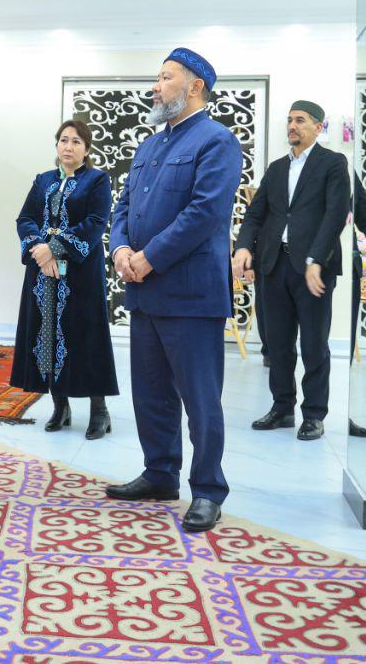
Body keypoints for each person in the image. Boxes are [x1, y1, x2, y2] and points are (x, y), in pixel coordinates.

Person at [105, 47, 242, 533]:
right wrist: (121, 249)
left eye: (165, 78)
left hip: (190, 294)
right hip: (144, 292)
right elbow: (123, 207)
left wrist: (149, 257)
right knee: (152, 393)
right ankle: (160, 474)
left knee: (200, 399)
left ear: (195, 86)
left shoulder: (217, 141)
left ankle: (207, 490)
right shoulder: (148, 145)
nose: (155, 86)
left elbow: (204, 213)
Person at [234, 100, 350, 441]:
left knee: (314, 344)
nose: (292, 126)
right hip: (274, 265)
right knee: (278, 344)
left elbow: (335, 215)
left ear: (318, 126)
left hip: (314, 268)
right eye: (289, 120)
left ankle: (314, 414)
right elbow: (255, 214)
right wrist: (244, 247)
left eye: (300, 120)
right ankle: (282, 408)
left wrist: (316, 259)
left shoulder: (333, 163)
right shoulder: (276, 168)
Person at [11, 119, 119, 438]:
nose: (68, 147)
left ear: (87, 149)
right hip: (43, 274)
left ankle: (99, 411)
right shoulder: (43, 179)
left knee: (87, 336)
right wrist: (39, 250)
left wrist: (54, 248)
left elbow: (96, 221)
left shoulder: (97, 180)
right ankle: (60, 406)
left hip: (81, 276)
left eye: (76, 142)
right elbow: (25, 218)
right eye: (63, 140)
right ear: (56, 144)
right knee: (46, 336)